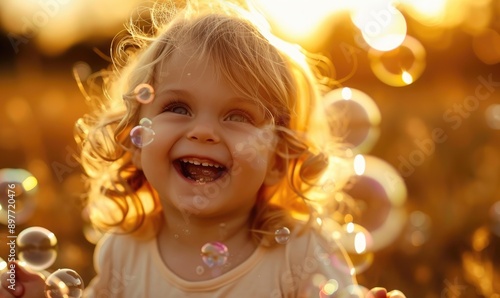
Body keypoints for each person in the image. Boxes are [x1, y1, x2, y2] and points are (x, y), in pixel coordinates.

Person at [1, 0, 406, 297]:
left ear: (277, 158)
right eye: (177, 108)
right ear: (135, 140)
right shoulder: (124, 251)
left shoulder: (299, 251)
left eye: (238, 116)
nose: (205, 132)